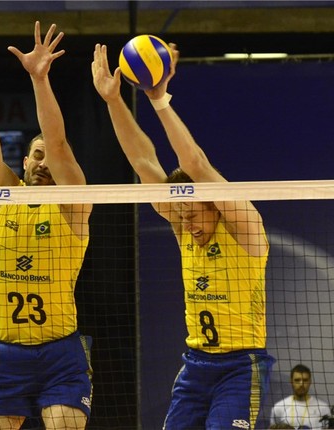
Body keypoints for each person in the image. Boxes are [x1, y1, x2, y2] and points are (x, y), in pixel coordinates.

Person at [92, 43, 275, 429]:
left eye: (192, 214)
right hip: (195, 365)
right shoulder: (183, 225)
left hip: (240, 367)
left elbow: (195, 163)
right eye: (180, 216)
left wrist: (158, 99)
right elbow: (142, 160)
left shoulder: (245, 226)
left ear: (214, 205)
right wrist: (113, 100)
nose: (185, 224)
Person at [0, 10, 93, 430]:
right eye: (36, 156)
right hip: (8, 354)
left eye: (49, 159)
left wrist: (39, 78)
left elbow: (58, 144)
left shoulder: (73, 203)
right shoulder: (0, 194)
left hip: (61, 353)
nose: (44, 163)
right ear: (24, 162)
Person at [270, 364, 331, 430]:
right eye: (297, 380)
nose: (301, 384)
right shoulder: (278, 407)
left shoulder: (323, 408)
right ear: (291, 381)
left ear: (310, 381)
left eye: (305, 380)